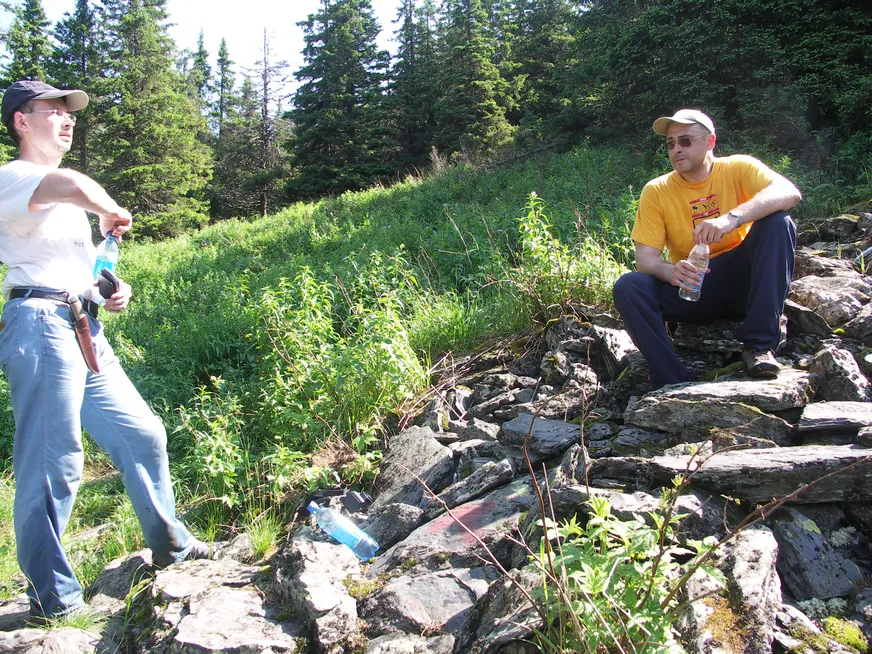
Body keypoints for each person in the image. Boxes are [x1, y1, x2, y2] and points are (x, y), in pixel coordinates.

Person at [0, 80, 210, 620]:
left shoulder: (61, 204)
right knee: (54, 462)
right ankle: (55, 601)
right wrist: (110, 208)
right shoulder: (13, 177)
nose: (67, 119)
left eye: (69, 112)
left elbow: (79, 273)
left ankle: (171, 546)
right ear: (21, 120)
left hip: (80, 325)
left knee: (143, 434)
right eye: (53, 110)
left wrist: (108, 292)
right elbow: (71, 183)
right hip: (40, 324)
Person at [613, 109, 802, 389]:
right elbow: (645, 259)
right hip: (694, 289)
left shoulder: (738, 168)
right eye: (670, 143)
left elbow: (788, 192)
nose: (676, 149)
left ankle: (759, 348)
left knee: (778, 222)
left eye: (685, 141)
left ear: (710, 141)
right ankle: (671, 379)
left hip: (745, 280)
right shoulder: (656, 190)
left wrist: (731, 219)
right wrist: (670, 271)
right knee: (629, 286)